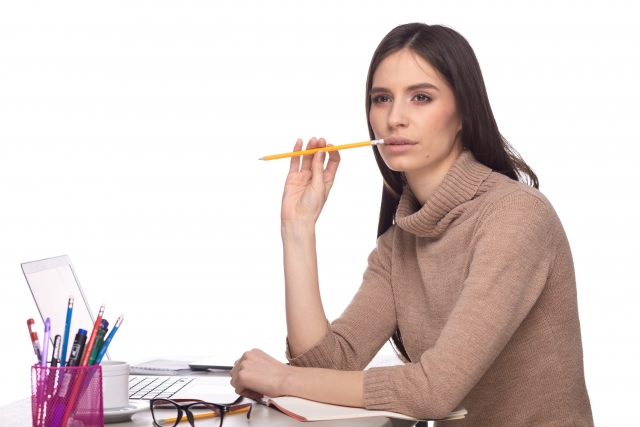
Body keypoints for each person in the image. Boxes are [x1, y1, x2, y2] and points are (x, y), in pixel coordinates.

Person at [230, 23, 594, 426]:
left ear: (464, 112)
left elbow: (433, 392)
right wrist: (298, 228)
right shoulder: (400, 243)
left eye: (421, 97)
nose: (394, 118)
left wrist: (282, 378)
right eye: (381, 99)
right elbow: (327, 368)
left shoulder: (516, 216)